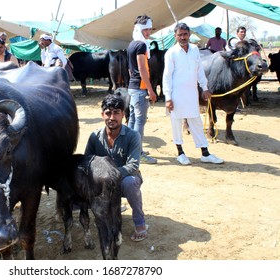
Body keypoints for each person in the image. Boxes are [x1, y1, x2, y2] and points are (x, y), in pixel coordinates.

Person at [85, 94, 149, 242]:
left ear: (123, 115)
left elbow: (133, 166)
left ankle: (140, 222)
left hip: (124, 180)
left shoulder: (133, 136)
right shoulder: (95, 137)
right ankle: (108, 210)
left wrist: (109, 175)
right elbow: (87, 162)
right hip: (101, 183)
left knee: (131, 183)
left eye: (116, 113)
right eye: (108, 113)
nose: (112, 117)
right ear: (102, 115)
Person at [163, 22, 224, 166]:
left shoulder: (195, 50)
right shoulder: (171, 53)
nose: (183, 37)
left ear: (189, 35)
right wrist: (168, 98)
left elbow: (199, 71)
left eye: (185, 34)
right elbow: (167, 76)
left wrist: (204, 88)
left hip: (191, 92)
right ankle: (180, 153)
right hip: (176, 94)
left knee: (196, 121)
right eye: (180, 35)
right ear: (175, 36)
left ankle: (205, 153)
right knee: (177, 122)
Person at [127, 14, 158, 164]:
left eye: (150, 29)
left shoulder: (132, 44)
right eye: (146, 29)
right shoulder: (141, 45)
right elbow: (142, 68)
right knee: (139, 121)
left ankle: (130, 149)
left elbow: (130, 69)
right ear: (139, 29)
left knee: (133, 119)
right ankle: (137, 153)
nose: (148, 32)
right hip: (140, 88)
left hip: (132, 87)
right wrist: (151, 90)